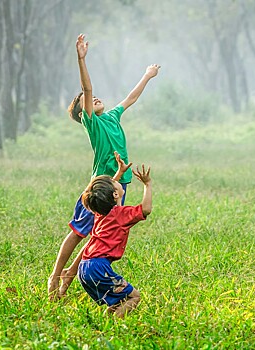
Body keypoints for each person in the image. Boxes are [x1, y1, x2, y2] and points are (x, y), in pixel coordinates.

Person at [48, 33, 160, 300]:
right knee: (78, 232)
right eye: (87, 101)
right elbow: (86, 89)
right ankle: (55, 276)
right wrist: (81, 59)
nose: (94, 98)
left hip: (119, 184)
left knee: (100, 234)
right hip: (100, 186)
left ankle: (69, 279)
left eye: (96, 97)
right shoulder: (93, 123)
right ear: (82, 112)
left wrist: (147, 76)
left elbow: (130, 98)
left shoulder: (111, 116)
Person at [78, 159, 152, 318]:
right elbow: (146, 209)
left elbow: (106, 193)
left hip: (84, 267)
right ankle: (113, 327)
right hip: (98, 267)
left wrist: (119, 173)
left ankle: (104, 323)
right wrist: (147, 184)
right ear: (115, 194)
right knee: (134, 296)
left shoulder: (100, 212)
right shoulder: (121, 215)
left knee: (118, 301)